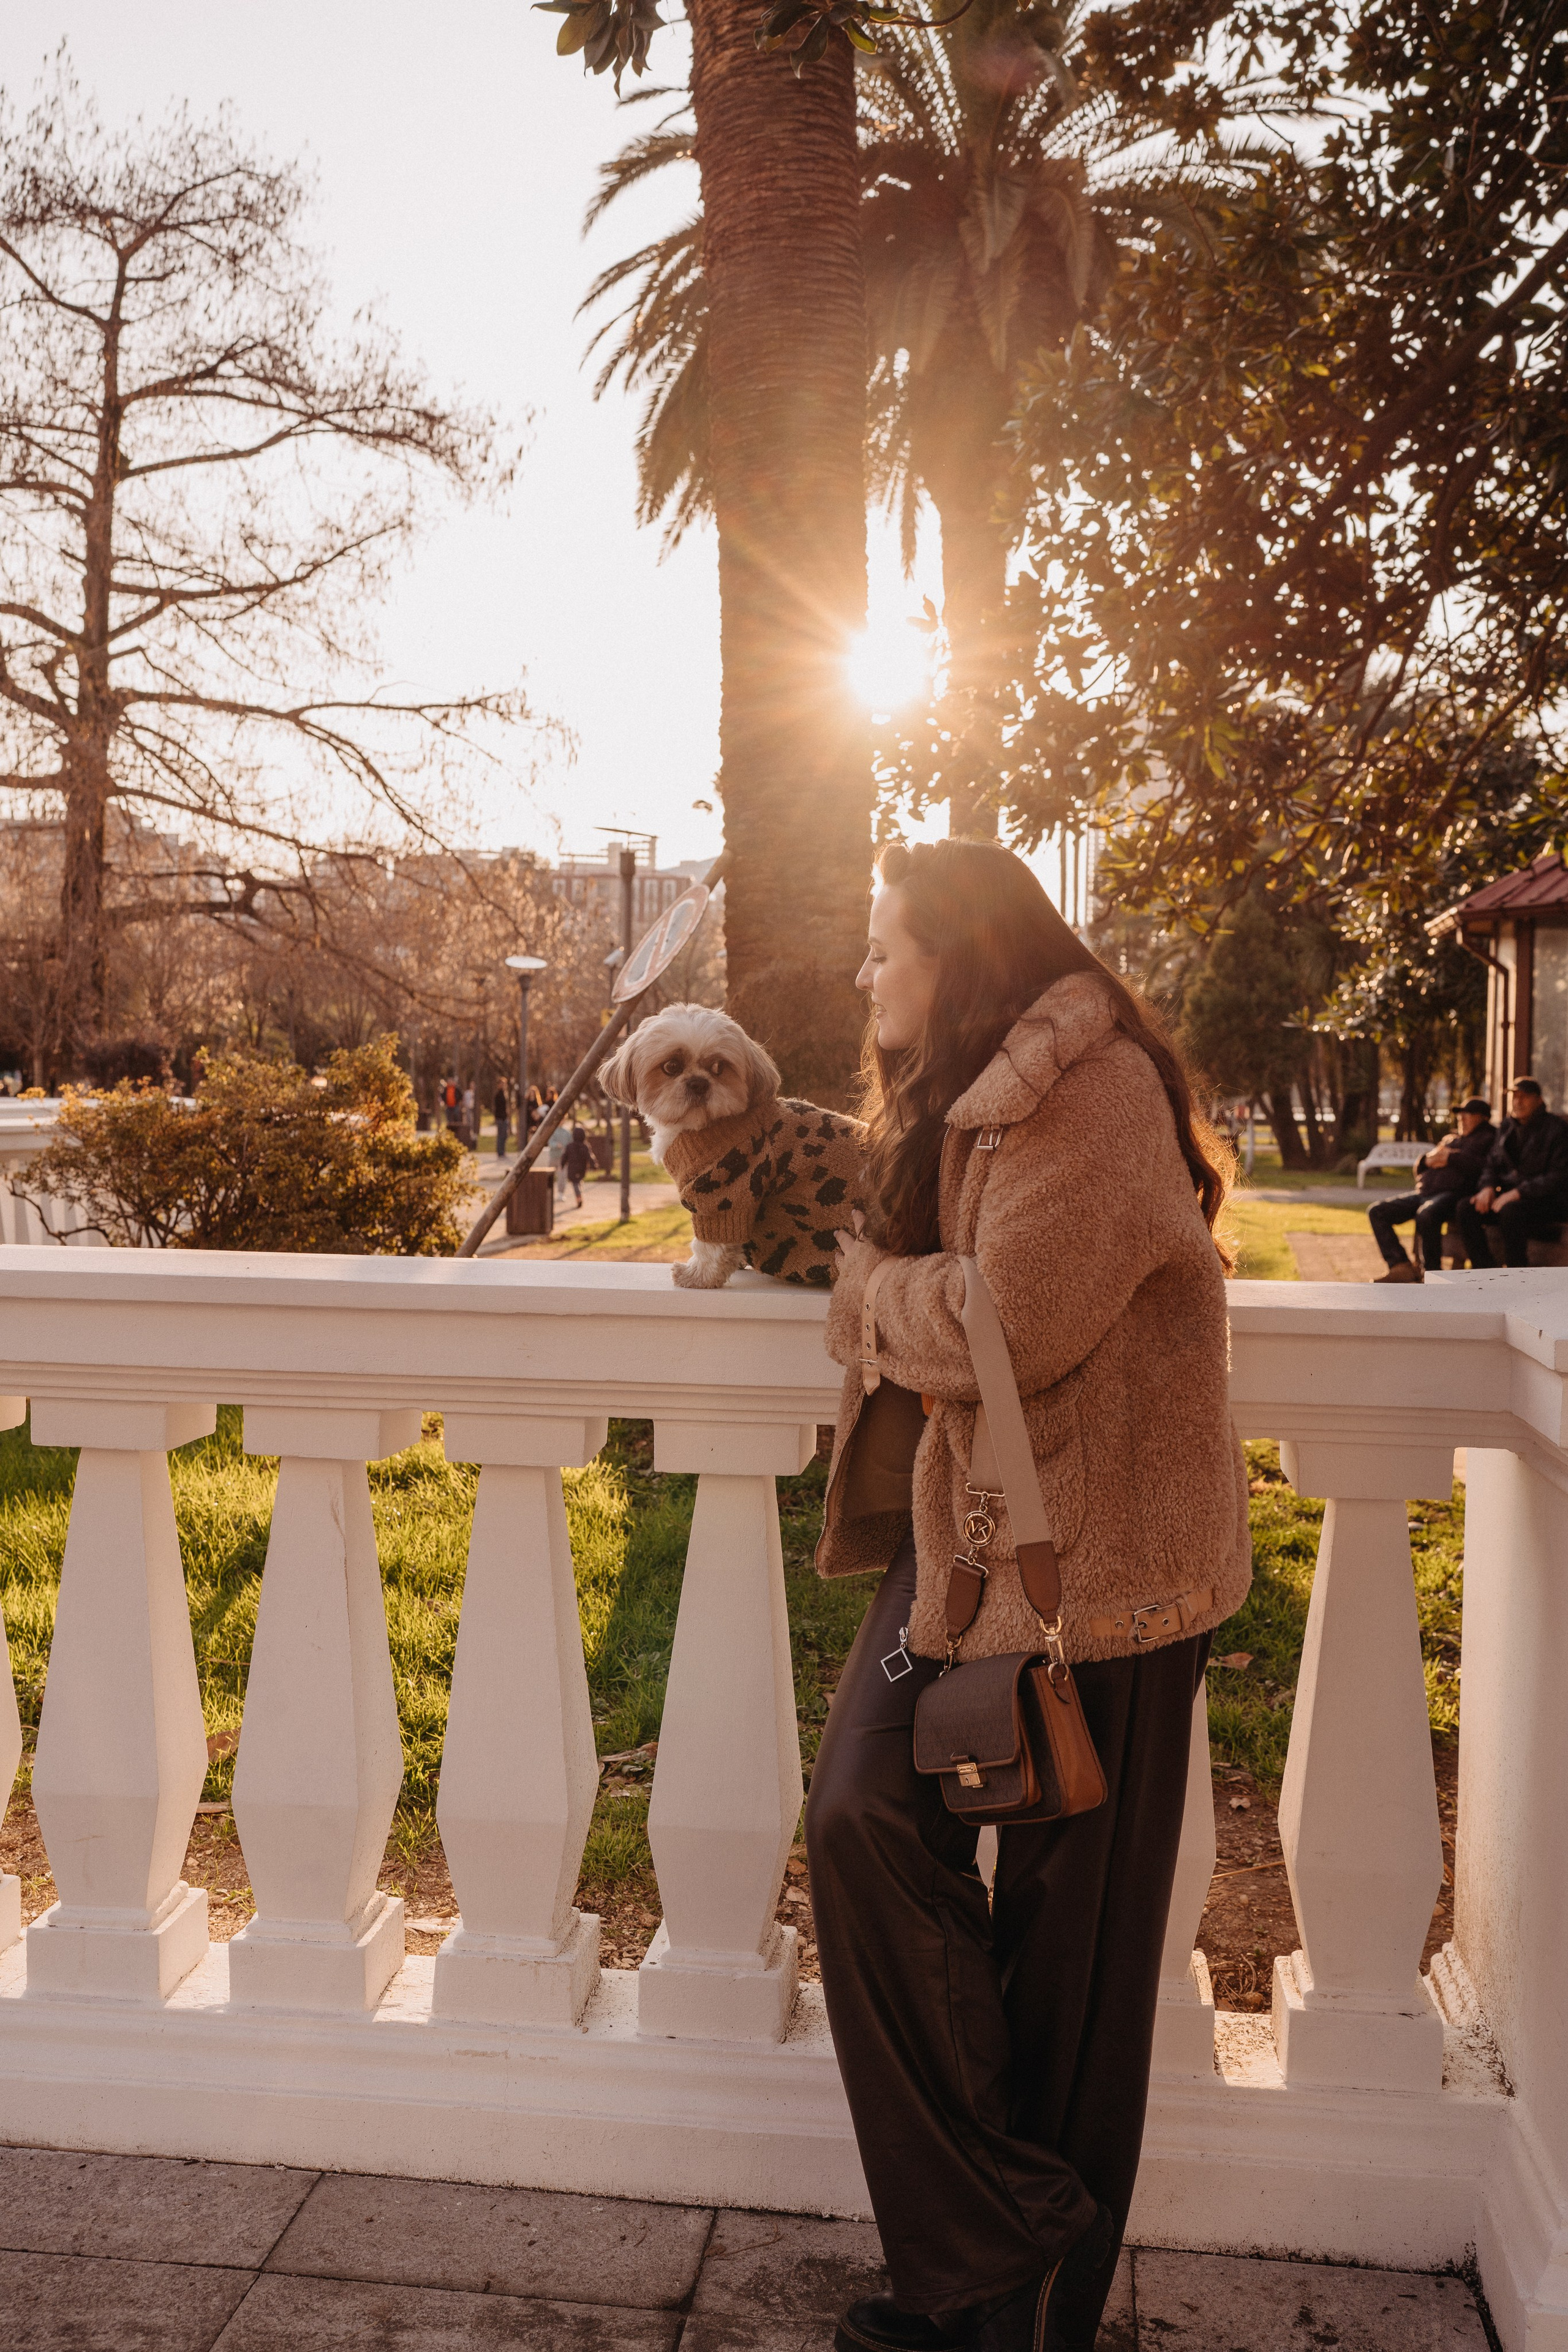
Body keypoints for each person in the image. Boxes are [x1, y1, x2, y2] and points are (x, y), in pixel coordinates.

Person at [808, 839, 1251, 2352]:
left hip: (1103, 1573)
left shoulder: (1094, 1089)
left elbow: (1013, 1321)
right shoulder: (963, 1094)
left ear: (962, 957)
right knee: (860, 1817)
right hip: (971, 1550)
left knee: (1073, 1954)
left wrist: (866, 1296)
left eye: (885, 946)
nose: (864, 972)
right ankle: (1002, 2242)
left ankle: (1011, 2311)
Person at [1369, 1098, 1495, 1282]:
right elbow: (1420, 1169)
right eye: (1460, 1115)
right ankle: (1400, 1266)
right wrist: (1427, 1161)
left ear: (1482, 1118)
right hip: (1425, 1193)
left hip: (1454, 1194)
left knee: (1427, 1214)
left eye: (1468, 1114)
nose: (1462, 1118)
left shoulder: (1488, 1139)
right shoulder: (1451, 1139)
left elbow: (1483, 1167)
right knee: (1377, 1211)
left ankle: (1432, 1273)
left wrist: (1450, 1158)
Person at [1457, 1076, 1568, 1268]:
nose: (1518, 1102)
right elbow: (1492, 1164)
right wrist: (1488, 1187)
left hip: (1547, 1202)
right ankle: (1485, 1271)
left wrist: (1518, 1193)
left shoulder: (1556, 1129)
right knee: (1466, 1208)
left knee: (1511, 1212)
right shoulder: (1506, 1127)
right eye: (1514, 1097)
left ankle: (1517, 1272)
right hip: (1509, 1199)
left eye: (1524, 1097)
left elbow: (1558, 1177)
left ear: (1539, 1100)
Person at [562, 1121, 592, 1207]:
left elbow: (565, 1156)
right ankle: (579, 1193)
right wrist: (594, 1165)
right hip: (582, 1168)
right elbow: (589, 1157)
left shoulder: (569, 1146)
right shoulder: (585, 1146)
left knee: (575, 1183)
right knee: (578, 1182)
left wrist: (562, 1164)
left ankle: (579, 1198)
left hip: (572, 1169)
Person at [493, 1081, 511, 1160]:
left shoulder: (505, 1094)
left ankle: (503, 1151)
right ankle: (500, 1152)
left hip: (505, 1117)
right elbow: (497, 1108)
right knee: (501, 1135)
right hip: (500, 1118)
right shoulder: (498, 1095)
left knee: (504, 1135)